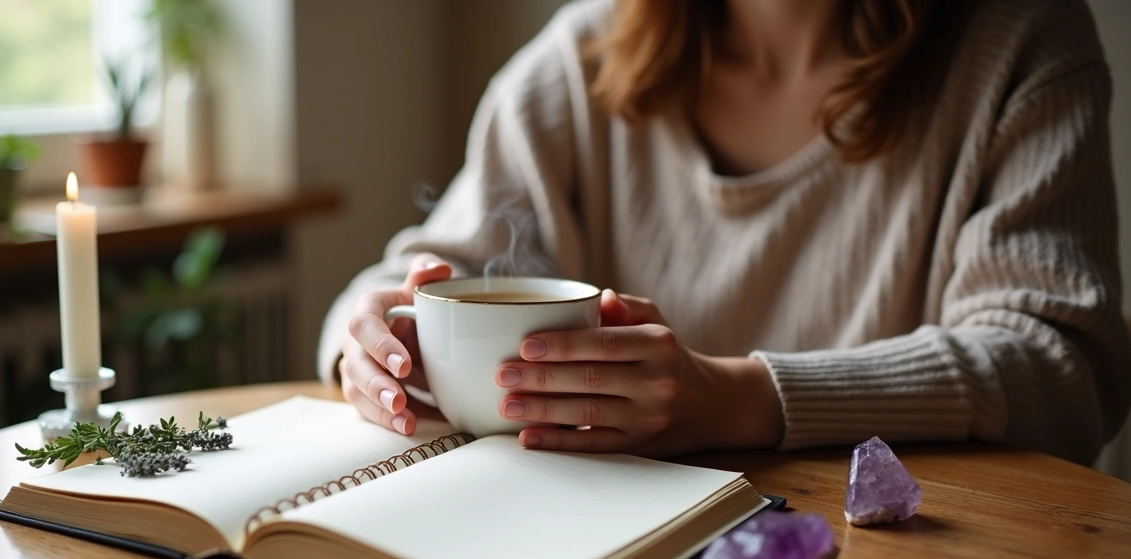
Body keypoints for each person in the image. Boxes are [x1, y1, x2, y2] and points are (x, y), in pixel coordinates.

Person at [319, 0, 1131, 464]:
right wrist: (368, 342)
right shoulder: (577, 66)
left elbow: (1065, 369)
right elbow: (416, 276)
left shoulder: (1020, 45)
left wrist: (742, 398)